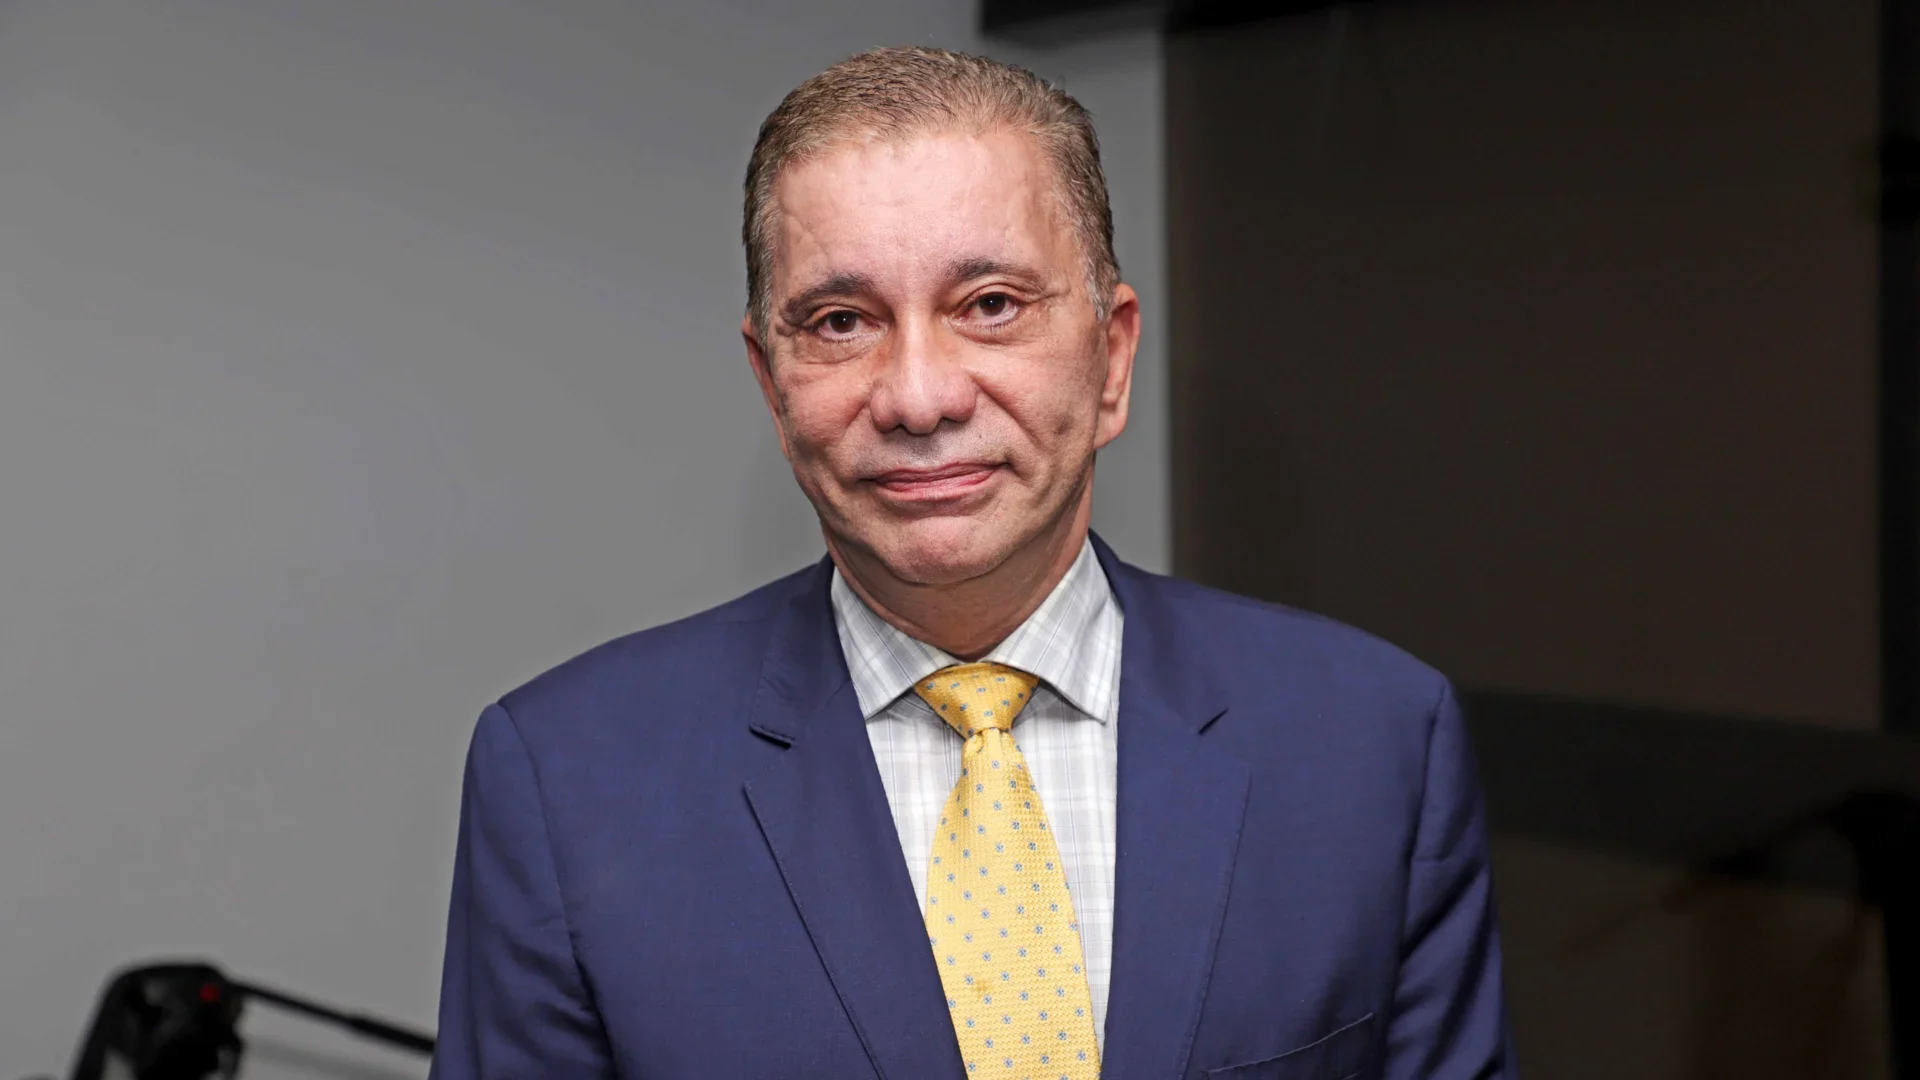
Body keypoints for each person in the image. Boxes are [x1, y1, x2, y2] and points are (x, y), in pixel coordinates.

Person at [431, 46, 1515, 1080]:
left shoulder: (1374, 744)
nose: (919, 397)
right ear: (771, 382)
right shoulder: (567, 782)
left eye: (991, 306)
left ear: (1111, 359)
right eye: (841, 322)